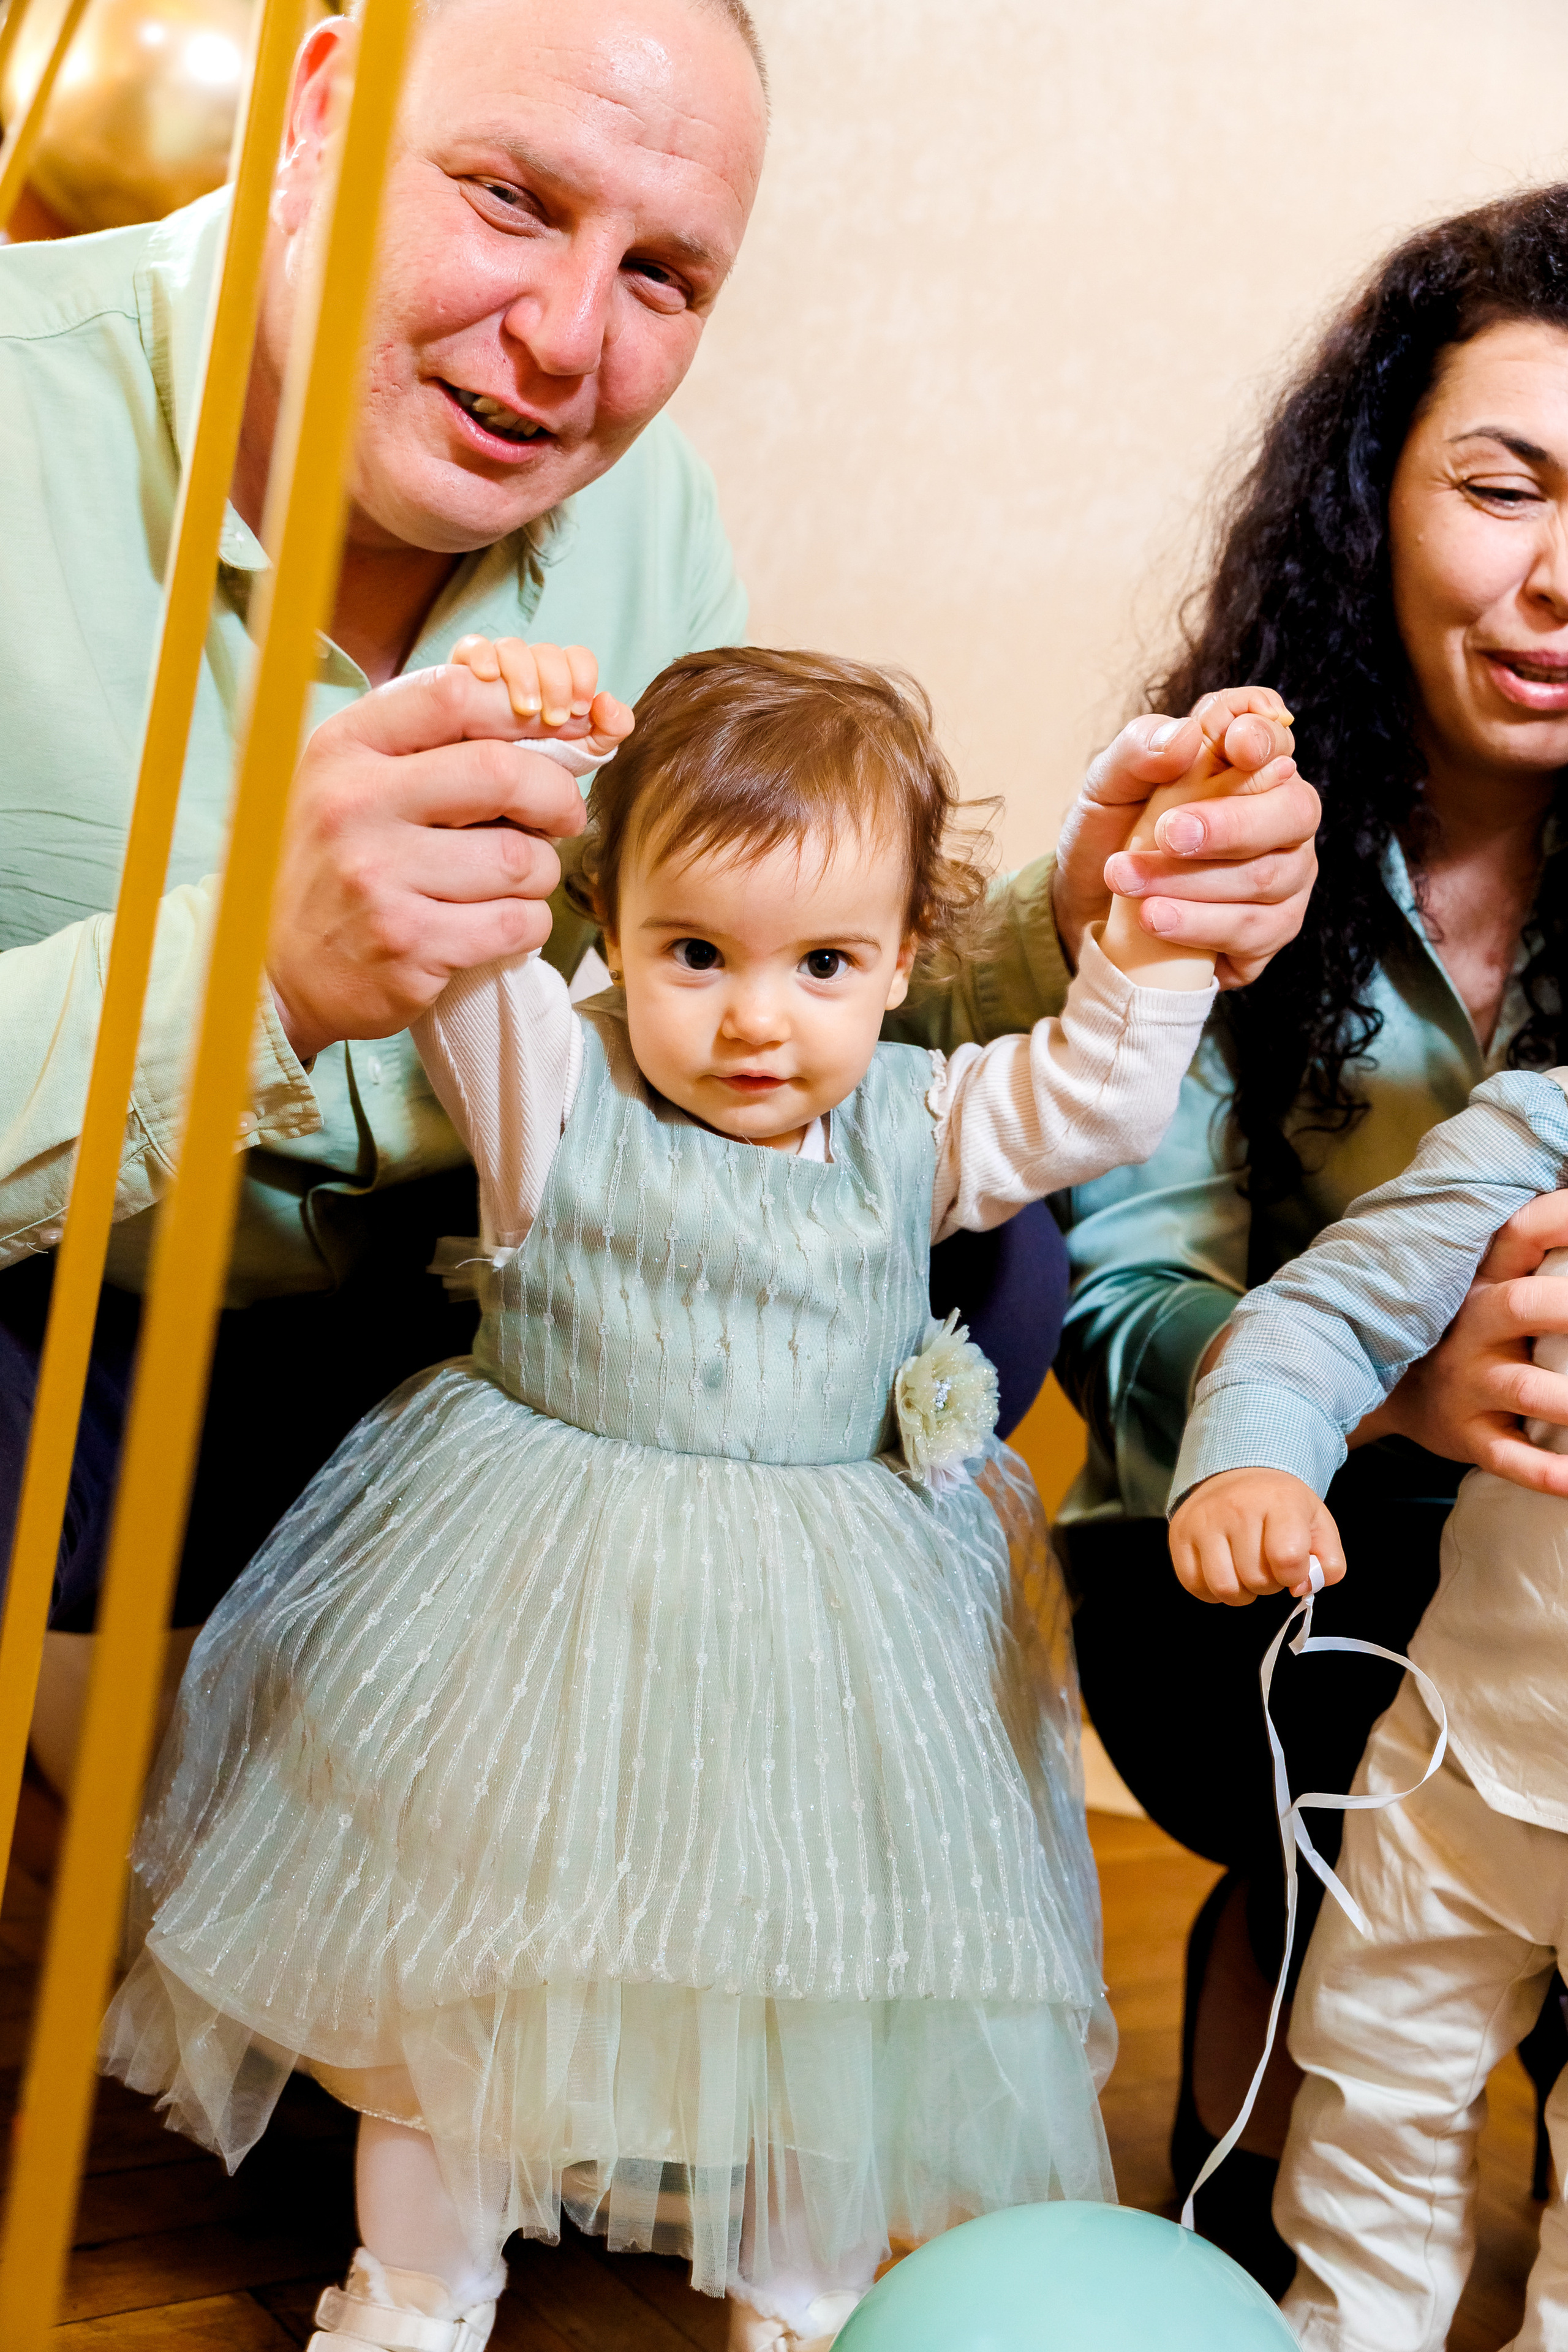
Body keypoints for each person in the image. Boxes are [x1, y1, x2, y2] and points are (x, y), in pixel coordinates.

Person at [0, 0, 1319, 1715]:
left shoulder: (654, 514)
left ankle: (656, 1822)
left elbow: (718, 994)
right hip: (73, 1346)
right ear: (319, 103)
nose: (563, 340)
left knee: (977, 1260)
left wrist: (1081, 914)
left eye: (662, 278)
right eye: (509, 197)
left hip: (489, 1339)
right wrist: (250, 965)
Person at [102, 638, 1275, 2352]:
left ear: (902, 963)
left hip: (822, 1641)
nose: (750, 1015)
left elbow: (1102, 1089)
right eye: (694, 952)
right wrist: (499, 745)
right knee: (453, 1987)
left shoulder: (917, 1123)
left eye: (821, 963)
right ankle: (420, 2291)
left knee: (813, 1997)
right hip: (537, 1601)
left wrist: (1164, 909)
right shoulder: (550, 1084)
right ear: (611, 927)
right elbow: (460, 939)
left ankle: (800, 2306)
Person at [1053, 178, 1568, 2288]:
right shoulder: (1224, 829)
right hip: (1253, 1548)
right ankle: (1277, 2147)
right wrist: (1381, 1402)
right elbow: (1114, 1294)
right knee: (1344, 1789)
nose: (1561, 580)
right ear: (1373, 500)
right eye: (1504, 485)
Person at [1167, 1071, 1568, 2352]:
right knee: (1367, 2071)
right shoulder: (1542, 1129)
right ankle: (1347, 2328)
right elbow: (1337, 1305)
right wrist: (1257, 1450)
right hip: (1456, 1756)